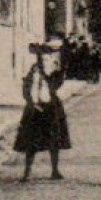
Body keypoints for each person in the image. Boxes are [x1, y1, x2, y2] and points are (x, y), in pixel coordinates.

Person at [14, 40, 70, 181]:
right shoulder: (33, 72)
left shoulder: (53, 75)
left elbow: (58, 80)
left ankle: (55, 170)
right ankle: (27, 172)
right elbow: (26, 89)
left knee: (54, 141)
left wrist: (61, 54)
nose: (44, 60)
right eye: (42, 58)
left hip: (51, 109)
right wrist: (31, 102)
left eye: (46, 57)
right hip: (34, 110)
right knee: (31, 143)